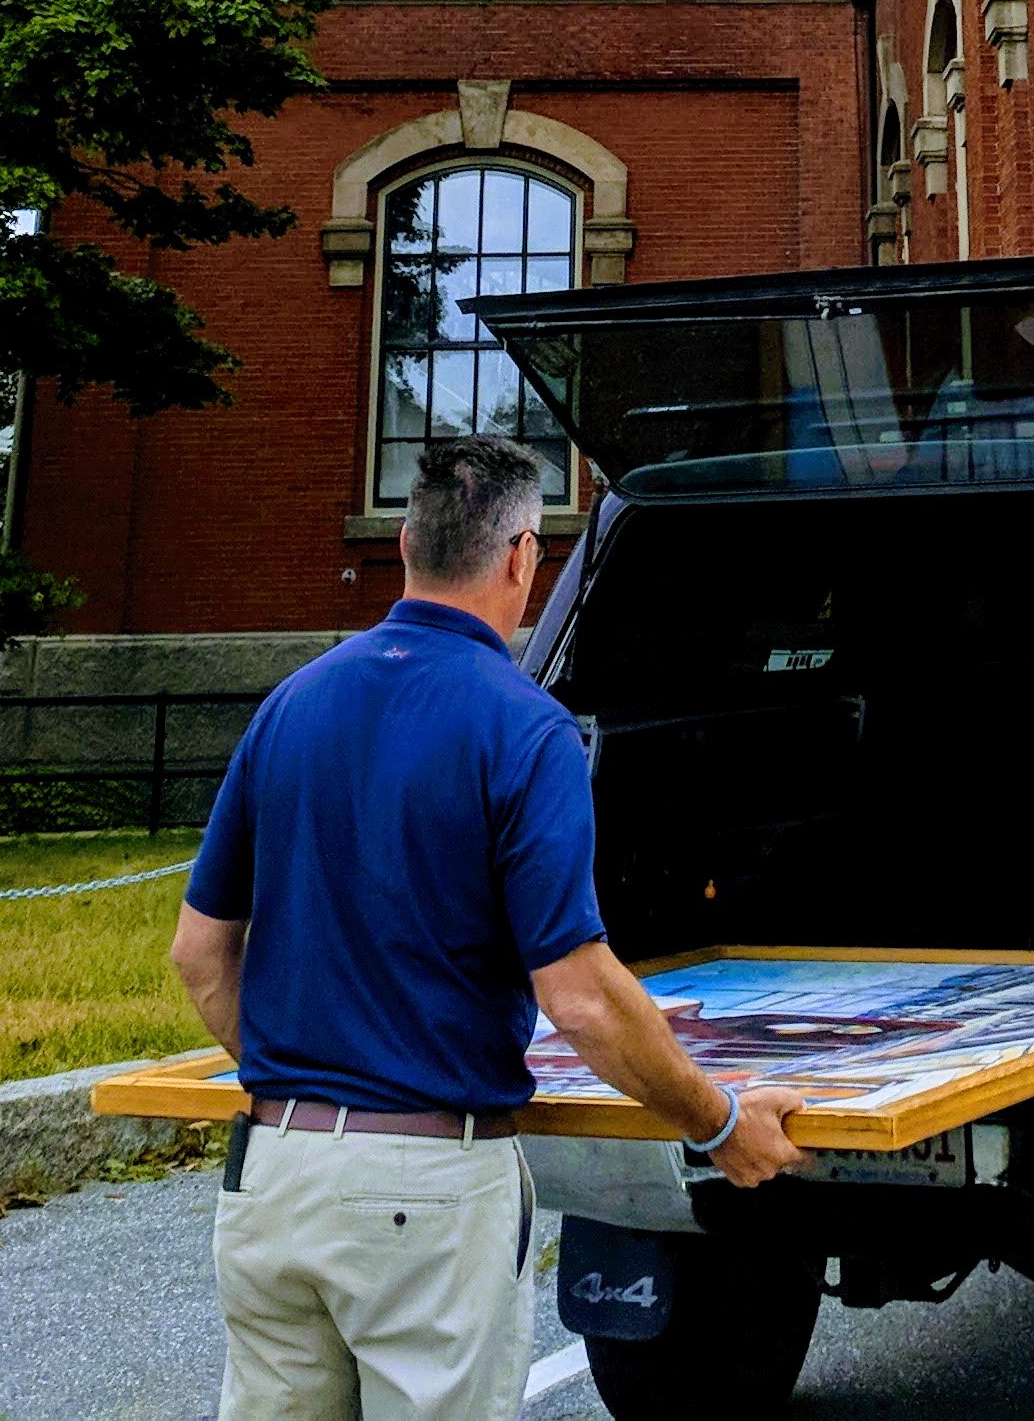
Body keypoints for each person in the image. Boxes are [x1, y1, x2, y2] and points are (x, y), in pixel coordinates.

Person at [171, 432, 801, 1421]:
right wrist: (717, 1122)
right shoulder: (523, 726)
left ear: (409, 544)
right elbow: (580, 995)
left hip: (272, 1175)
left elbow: (200, 955)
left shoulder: (290, 706)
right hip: (423, 1191)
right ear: (520, 557)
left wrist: (314, 1092)